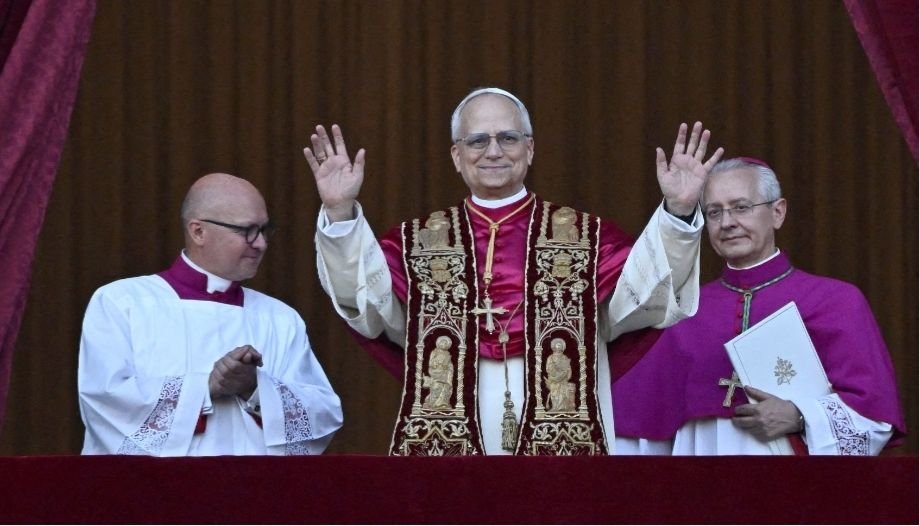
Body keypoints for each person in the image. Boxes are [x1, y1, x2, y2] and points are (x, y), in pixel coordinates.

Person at [308, 87, 723, 455]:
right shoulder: (415, 244)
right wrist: (340, 212)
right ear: (456, 155)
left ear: (530, 149)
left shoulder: (586, 237)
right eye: (477, 140)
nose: (493, 151)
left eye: (508, 138)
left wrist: (678, 211)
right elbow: (365, 305)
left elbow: (647, 297)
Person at [612, 157, 906, 455]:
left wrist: (800, 415)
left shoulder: (836, 301)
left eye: (741, 207)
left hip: (799, 489)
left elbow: (874, 417)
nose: (727, 223)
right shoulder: (684, 311)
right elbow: (640, 427)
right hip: (699, 488)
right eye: (714, 212)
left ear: (777, 213)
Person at [79, 173, 343, 456]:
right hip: (154, 491)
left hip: (256, 492)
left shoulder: (280, 319)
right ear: (198, 231)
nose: (261, 244)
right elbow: (104, 400)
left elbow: (323, 416)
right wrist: (205, 387)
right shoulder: (122, 302)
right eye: (247, 231)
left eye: (265, 230)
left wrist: (255, 388)